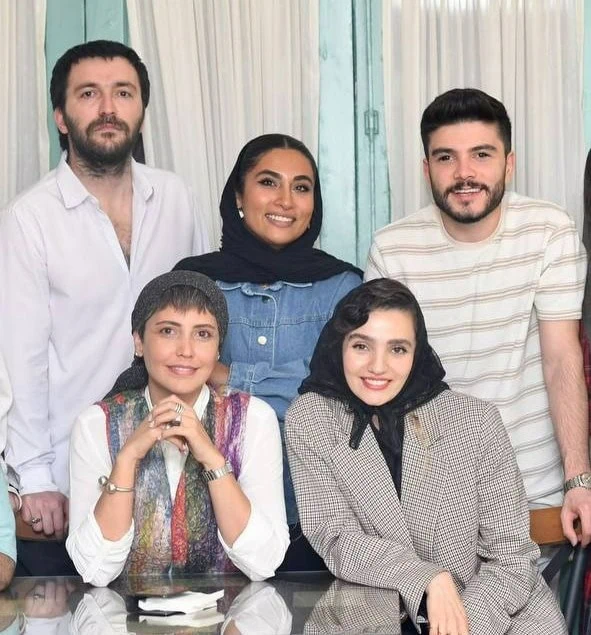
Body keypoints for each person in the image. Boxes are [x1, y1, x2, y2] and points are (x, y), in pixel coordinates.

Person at [0, 40, 210, 574]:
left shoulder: (176, 198)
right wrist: (36, 477)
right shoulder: (30, 218)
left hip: (172, 468)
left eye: (124, 93)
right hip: (69, 479)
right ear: (61, 117)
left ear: (142, 110)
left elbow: (202, 320)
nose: (109, 108)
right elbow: (21, 358)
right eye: (89, 94)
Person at [366, 88, 590, 545]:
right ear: (426, 169)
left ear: (509, 164)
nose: (464, 173)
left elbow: (561, 360)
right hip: (430, 505)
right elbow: (384, 379)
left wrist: (578, 481)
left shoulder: (549, 231)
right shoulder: (393, 248)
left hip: (535, 494)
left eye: (481, 155)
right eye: (446, 157)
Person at [286, 279, 567, 635]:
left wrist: (457, 625)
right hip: (375, 619)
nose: (377, 366)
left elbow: (512, 559)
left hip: (495, 616)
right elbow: (336, 537)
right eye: (361, 346)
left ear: (417, 353)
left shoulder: (476, 421)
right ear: (339, 345)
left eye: (397, 349)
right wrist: (427, 578)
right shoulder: (311, 419)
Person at [175, 134, 362, 569]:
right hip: (207, 518)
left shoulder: (342, 287)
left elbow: (340, 395)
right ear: (239, 196)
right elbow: (173, 383)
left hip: (320, 521)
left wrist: (226, 376)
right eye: (268, 182)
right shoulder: (194, 283)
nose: (286, 200)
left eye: (301, 187)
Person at [66, 271, 288, 585]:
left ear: (218, 349)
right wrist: (127, 460)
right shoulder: (96, 424)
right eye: (168, 331)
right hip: (123, 613)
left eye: (203, 334)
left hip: (232, 612)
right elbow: (95, 571)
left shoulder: (253, 419)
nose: (186, 350)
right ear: (139, 341)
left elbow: (264, 563)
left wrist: (211, 457)